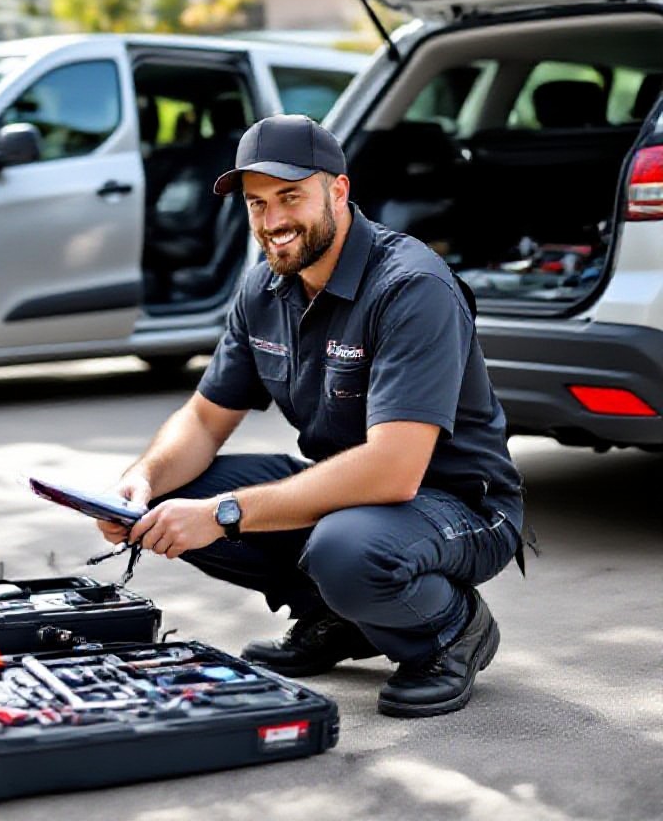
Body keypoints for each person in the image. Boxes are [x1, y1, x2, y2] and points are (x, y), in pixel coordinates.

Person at [97, 113, 524, 718]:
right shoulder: (264, 289)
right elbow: (204, 419)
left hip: (459, 506)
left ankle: (449, 630)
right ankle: (337, 615)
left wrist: (223, 514)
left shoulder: (411, 286)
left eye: (290, 196)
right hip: (353, 500)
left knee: (342, 549)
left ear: (338, 191)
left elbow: (394, 470)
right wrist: (141, 482)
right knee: (173, 494)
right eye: (257, 202)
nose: (272, 220)